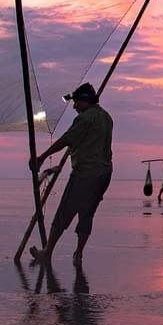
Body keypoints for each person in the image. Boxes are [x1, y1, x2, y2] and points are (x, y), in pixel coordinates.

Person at [28, 83, 113, 265]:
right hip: (104, 175)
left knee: (64, 212)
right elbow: (83, 141)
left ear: (85, 101)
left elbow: (67, 139)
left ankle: (48, 252)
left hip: (86, 175)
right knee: (87, 213)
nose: (74, 107)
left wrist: (42, 157)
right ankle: (78, 253)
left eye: (76, 102)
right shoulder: (106, 117)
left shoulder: (86, 118)